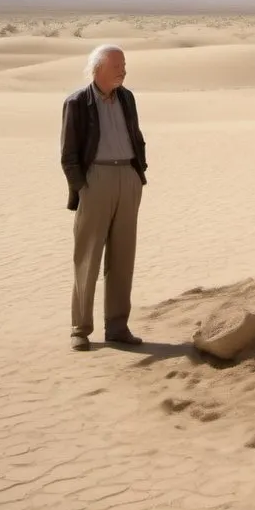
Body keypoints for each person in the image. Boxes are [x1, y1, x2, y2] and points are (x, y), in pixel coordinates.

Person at [61, 44, 148, 350]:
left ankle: (117, 326)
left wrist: (139, 173)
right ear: (98, 68)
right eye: (117, 66)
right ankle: (80, 329)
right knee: (87, 258)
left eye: (124, 65)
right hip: (95, 180)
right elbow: (69, 154)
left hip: (127, 177)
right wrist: (82, 187)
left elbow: (136, 136)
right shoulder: (77, 102)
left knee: (123, 258)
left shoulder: (127, 97)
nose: (123, 71)